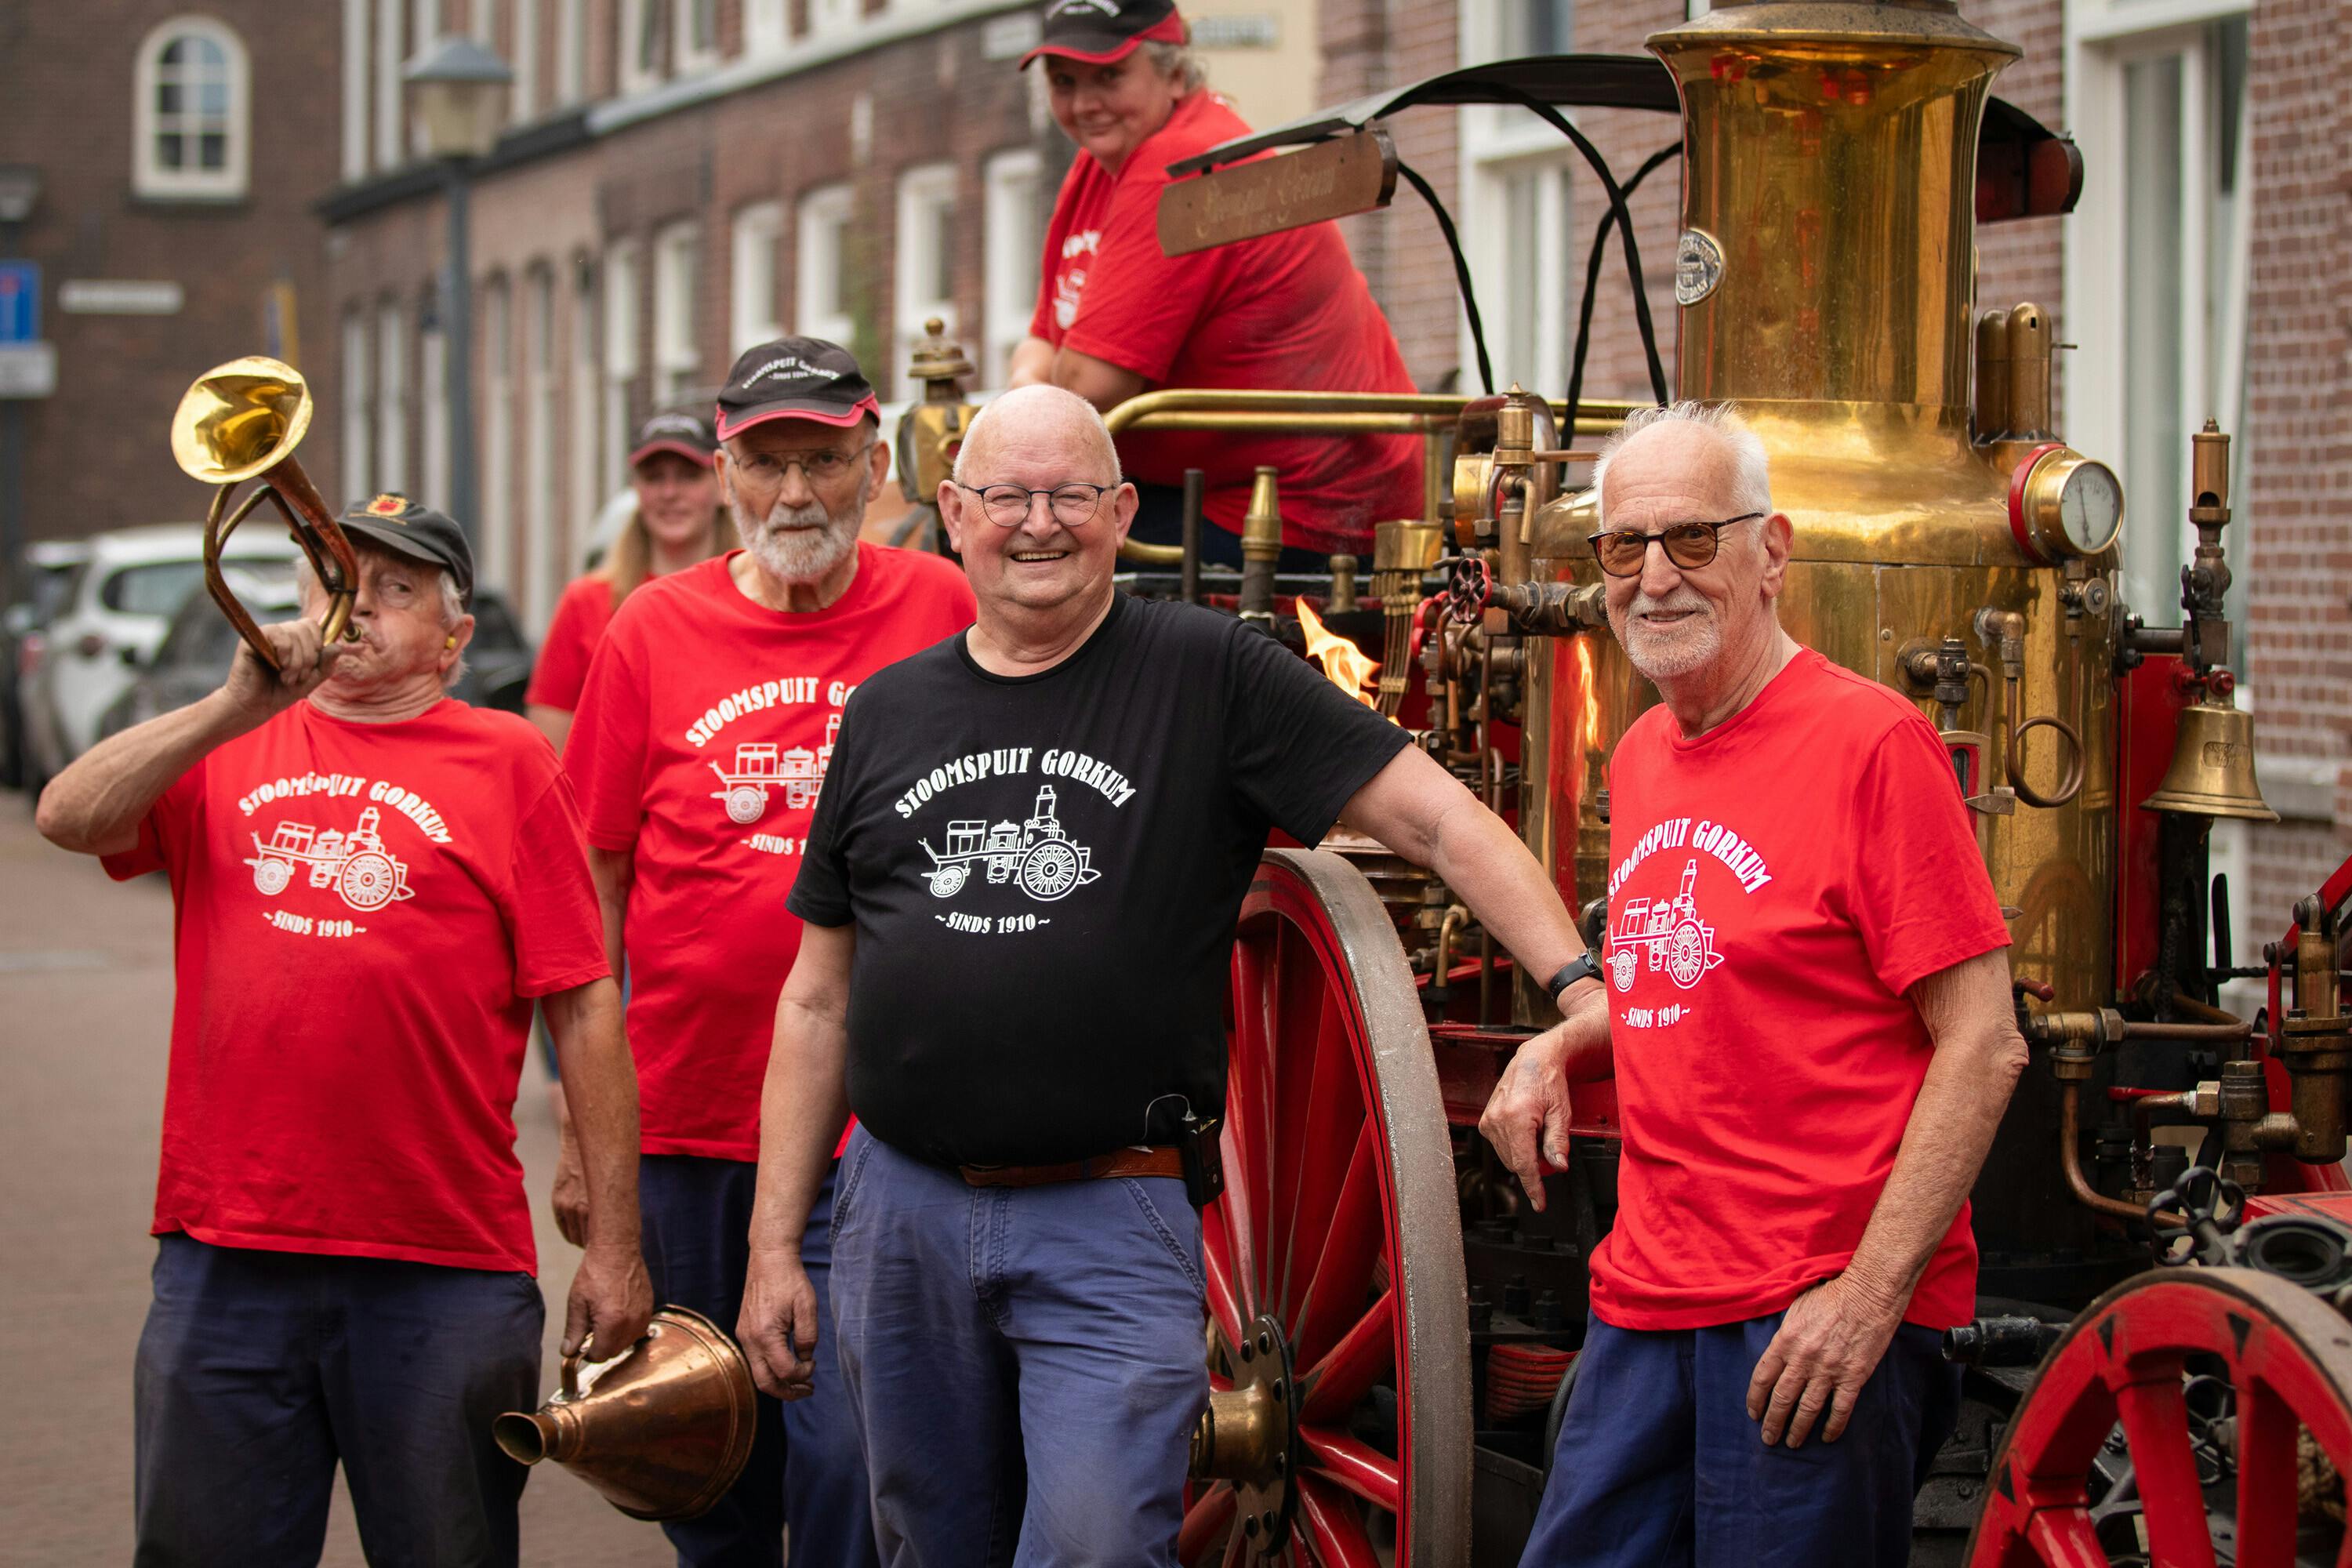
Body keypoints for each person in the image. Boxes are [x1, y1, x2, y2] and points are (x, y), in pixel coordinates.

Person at [735, 384, 1608, 1565]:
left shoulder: (1213, 675)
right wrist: (777, 1246)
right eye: (1006, 496)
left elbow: (1442, 824)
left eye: (1071, 496)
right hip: (903, 1217)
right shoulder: (890, 712)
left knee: (1097, 1546)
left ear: (1122, 511)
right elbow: (818, 996)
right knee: (926, 1540)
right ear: (952, 511)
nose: (1037, 524)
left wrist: (1574, 982)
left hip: (1111, 1209)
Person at [34, 495, 652, 1568]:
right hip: (226, 1253)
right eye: (332, 578)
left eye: (394, 588)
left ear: (454, 642)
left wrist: (614, 1246)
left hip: (440, 1264)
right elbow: (67, 816)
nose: (352, 606)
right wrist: (227, 707)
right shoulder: (232, 736)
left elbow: (585, 998)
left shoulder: (507, 761)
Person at [1479, 403, 2030, 1567]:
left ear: (1772, 552)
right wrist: (1562, 1045)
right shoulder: (1640, 753)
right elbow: (1696, 985)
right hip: (1647, 1299)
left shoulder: (1873, 745)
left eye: (1692, 540)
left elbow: (1984, 1043)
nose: (1654, 580)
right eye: (1624, 548)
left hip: (1810, 1320)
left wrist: (1868, 1302)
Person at [561, 337, 976, 1568]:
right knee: (706, 1454)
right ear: (730, 471)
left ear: (877, 464)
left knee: (854, 1453)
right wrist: (595, 1146)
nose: (797, 492)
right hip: (689, 1119)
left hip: (877, 1124)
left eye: (826, 461)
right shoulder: (648, 629)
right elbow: (590, 885)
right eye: (770, 463)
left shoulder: (939, 607)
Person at [1008, 0, 1421, 568]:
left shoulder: (1182, 162)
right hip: (1225, 490)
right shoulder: (1101, 162)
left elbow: (1089, 384)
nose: (1084, 104)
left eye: (1109, 76)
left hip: (1308, 513)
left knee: (1006, 542)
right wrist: (1037, 384)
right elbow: (1043, 339)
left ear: (1175, 74)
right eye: (1064, 81)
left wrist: (1031, 389)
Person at [527, 408, 737, 753]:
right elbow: (548, 750)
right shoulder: (587, 600)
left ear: (721, 484)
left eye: (687, 476)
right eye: (654, 478)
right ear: (636, 489)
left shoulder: (757, 595)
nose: (669, 493)